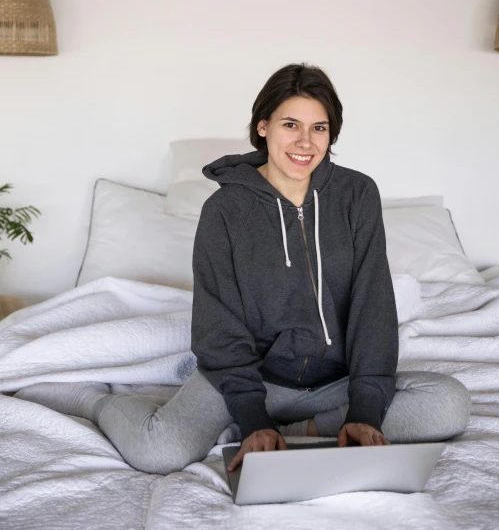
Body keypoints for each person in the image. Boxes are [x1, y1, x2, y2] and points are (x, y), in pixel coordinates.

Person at [15, 62, 472, 476]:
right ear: (263, 127)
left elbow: (373, 303)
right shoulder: (225, 210)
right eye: (290, 124)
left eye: (319, 128)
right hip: (251, 382)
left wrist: (364, 411)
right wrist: (252, 413)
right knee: (159, 451)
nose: (305, 142)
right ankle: (98, 403)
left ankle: (291, 431)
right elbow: (218, 323)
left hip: (338, 382)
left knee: (447, 404)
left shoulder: (356, 195)